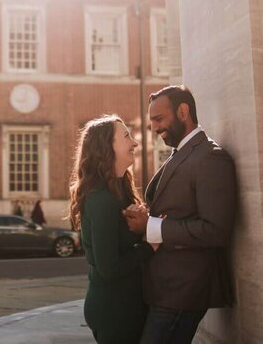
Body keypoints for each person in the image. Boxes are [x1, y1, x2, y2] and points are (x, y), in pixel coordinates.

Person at [123, 85, 237, 344]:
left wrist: (150, 226)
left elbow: (216, 230)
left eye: (159, 119)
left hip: (183, 292)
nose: (153, 128)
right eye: (151, 120)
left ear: (183, 111)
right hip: (164, 289)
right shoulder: (182, 153)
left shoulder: (211, 158)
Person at [67, 114, 155, 343]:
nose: (135, 142)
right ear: (107, 147)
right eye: (126, 136)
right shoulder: (101, 199)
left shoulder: (121, 188)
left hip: (128, 305)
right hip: (114, 312)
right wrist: (150, 246)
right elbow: (109, 267)